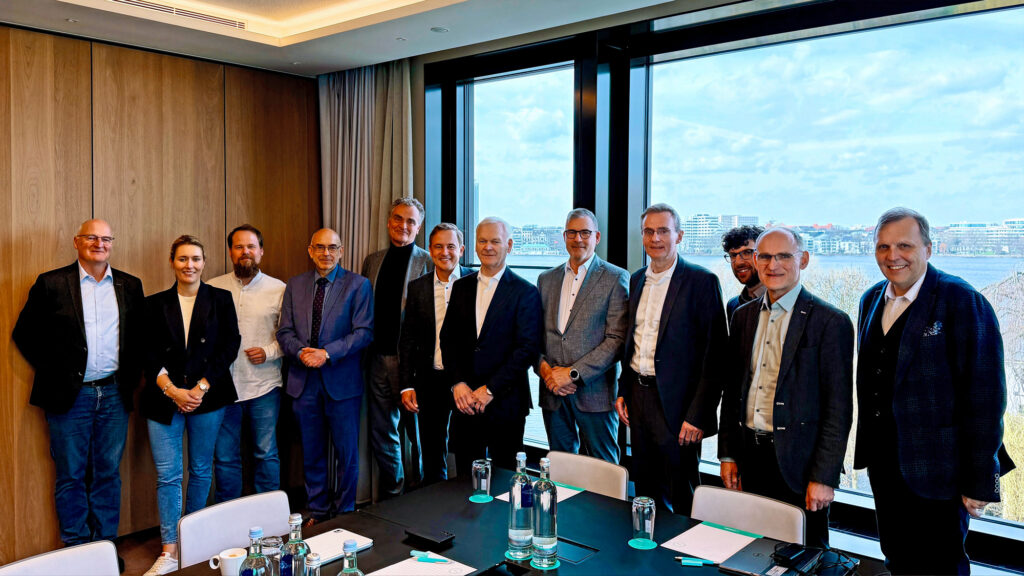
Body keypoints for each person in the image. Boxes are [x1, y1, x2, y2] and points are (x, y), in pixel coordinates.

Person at [855, 207, 1015, 575]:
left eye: (904, 246)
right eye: (883, 247)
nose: (893, 256)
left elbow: (987, 397)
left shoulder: (961, 300)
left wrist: (980, 479)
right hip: (885, 467)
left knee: (942, 566)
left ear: (929, 248)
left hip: (941, 471)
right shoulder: (869, 300)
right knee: (897, 559)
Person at [13, 219, 145, 570]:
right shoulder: (52, 283)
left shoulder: (131, 286)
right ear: (77, 242)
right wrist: (57, 371)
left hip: (114, 395)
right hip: (70, 397)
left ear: (112, 244)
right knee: (70, 475)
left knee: (107, 473)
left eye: (105, 239)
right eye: (91, 237)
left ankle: (104, 549)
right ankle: (76, 552)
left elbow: (139, 337)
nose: (98, 244)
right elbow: (24, 333)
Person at [718, 228, 853, 548]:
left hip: (801, 465)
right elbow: (733, 390)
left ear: (802, 260)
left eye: (783, 256)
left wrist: (824, 476)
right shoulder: (742, 316)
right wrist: (727, 453)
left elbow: (838, 408)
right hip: (749, 458)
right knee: (749, 547)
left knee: (806, 556)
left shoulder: (831, 322)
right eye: (764, 256)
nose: (772, 264)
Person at [615, 203, 728, 514]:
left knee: (681, 491)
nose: (656, 238)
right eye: (649, 231)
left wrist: (699, 415)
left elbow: (715, 355)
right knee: (645, 487)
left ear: (679, 235)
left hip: (680, 407)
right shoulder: (636, 280)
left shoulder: (701, 282)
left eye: (663, 230)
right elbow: (632, 342)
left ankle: (679, 556)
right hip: (638, 398)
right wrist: (623, 390)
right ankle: (647, 551)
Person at [141, 235, 240, 576]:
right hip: (163, 398)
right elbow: (147, 353)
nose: (190, 265)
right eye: (183, 259)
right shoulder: (153, 304)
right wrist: (174, 391)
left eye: (196, 259)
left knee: (200, 470)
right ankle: (170, 550)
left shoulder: (221, 299)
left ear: (204, 262)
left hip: (208, 396)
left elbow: (230, 345)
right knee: (168, 476)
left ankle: (194, 542)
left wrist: (198, 389)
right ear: (173, 262)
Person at [277, 228, 373, 522]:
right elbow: (284, 331)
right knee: (312, 452)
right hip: (303, 382)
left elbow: (364, 332)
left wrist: (326, 353)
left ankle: (344, 512)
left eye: (332, 248)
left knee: (346, 454)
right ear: (310, 250)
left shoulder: (358, 285)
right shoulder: (295, 285)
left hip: (342, 383)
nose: (326, 253)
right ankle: (317, 510)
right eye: (319, 247)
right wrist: (302, 352)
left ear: (341, 251)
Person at [440, 217, 542, 473]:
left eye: (495, 241)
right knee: (462, 479)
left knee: (505, 481)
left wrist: (490, 389)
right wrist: (458, 383)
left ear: (508, 244)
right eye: (482, 241)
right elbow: (447, 339)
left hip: (505, 403)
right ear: (475, 246)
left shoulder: (525, 291)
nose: (488, 247)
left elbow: (526, 349)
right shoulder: (461, 287)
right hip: (464, 401)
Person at [536, 208, 629, 463]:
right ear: (564, 237)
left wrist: (572, 373)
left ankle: (607, 507)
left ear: (597, 237)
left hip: (595, 394)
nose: (578, 239)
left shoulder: (616, 277)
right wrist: (547, 373)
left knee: (604, 468)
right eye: (572, 233)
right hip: (553, 393)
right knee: (561, 467)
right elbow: (535, 337)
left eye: (585, 233)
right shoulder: (546, 279)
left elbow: (616, 340)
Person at [209, 224, 286, 502]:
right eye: (239, 247)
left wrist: (269, 351)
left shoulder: (279, 289)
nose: (246, 252)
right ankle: (229, 519)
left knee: (266, 453)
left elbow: (290, 336)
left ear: (261, 252)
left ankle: (270, 517)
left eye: (251, 246)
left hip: (264, 387)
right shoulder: (213, 287)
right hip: (223, 388)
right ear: (231, 252)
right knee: (225, 458)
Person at [361, 198, 432, 497]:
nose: (403, 225)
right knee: (383, 432)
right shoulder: (372, 261)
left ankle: (420, 494)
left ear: (418, 227)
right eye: (398, 219)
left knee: (417, 434)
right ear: (389, 221)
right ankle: (393, 493)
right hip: (378, 358)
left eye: (410, 221)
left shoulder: (428, 261)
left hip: (413, 364)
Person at [398, 223, 472, 484]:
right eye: (438, 246)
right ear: (429, 250)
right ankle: (435, 514)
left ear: (461, 250)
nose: (445, 252)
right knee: (432, 454)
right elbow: (406, 339)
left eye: (451, 246)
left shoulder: (475, 283)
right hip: (430, 380)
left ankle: (469, 512)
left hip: (467, 383)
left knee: (467, 453)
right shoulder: (418, 288)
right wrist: (406, 384)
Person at [721, 225, 765, 321]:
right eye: (733, 255)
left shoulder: (782, 303)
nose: (738, 262)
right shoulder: (733, 305)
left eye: (747, 252)